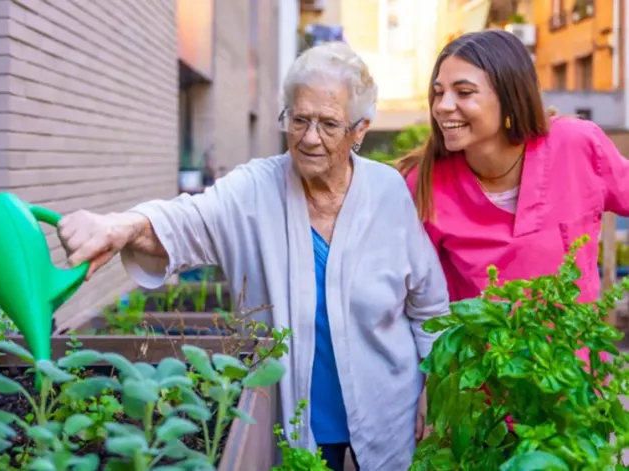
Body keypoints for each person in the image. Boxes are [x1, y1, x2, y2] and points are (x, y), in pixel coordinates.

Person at [56, 41, 450, 471]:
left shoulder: (388, 192)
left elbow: (428, 304)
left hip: (389, 406)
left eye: (329, 124)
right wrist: (119, 225)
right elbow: (182, 221)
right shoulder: (254, 189)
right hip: (295, 416)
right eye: (299, 120)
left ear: (360, 129)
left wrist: (435, 383)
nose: (310, 138)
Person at [397, 30, 629, 366]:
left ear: (509, 97)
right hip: (480, 392)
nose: (443, 107)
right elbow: (415, 302)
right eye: (438, 93)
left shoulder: (578, 145)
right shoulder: (423, 184)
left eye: (463, 92)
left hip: (575, 390)